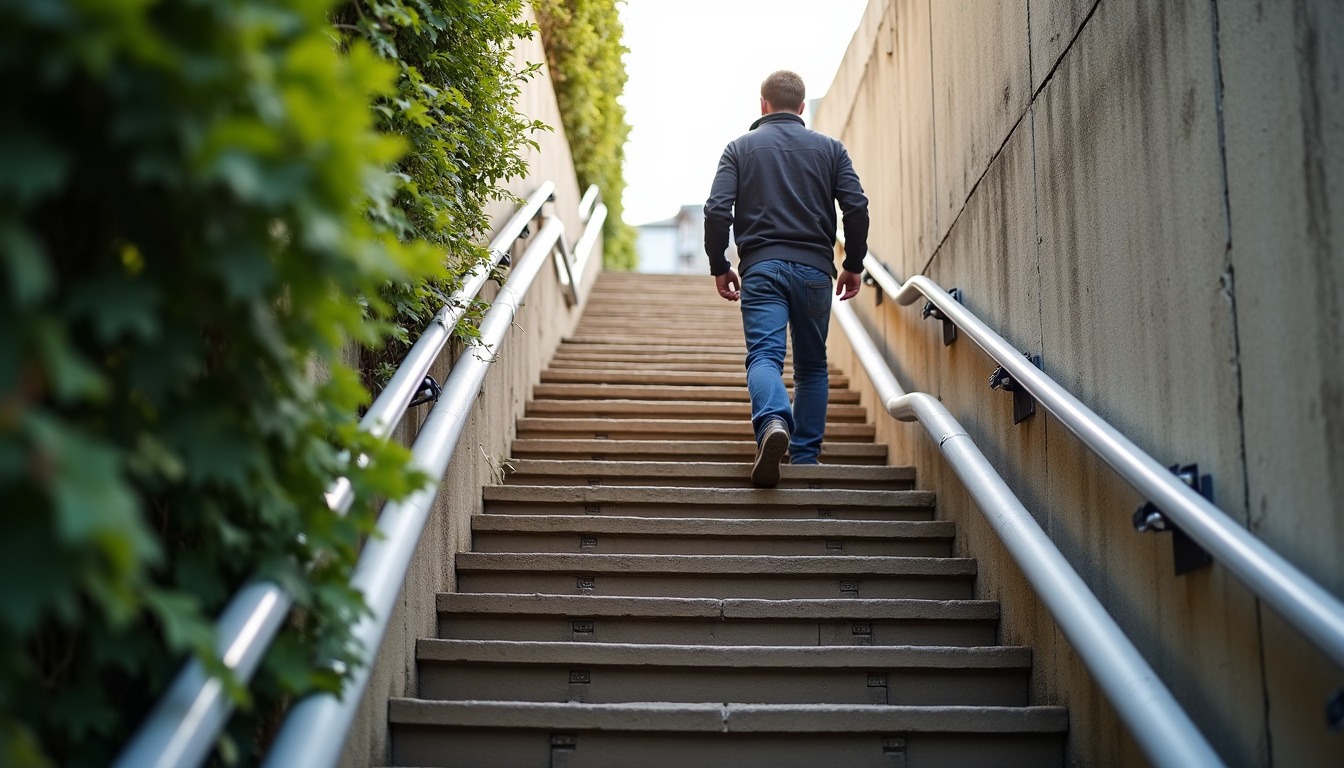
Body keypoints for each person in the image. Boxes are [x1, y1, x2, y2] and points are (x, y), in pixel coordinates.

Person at [704, 69, 869, 488]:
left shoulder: (739, 148)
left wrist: (719, 265)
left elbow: (717, 210)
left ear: (763, 105)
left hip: (762, 270)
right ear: (801, 107)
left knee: (764, 358)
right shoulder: (830, 149)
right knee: (812, 366)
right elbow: (857, 207)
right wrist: (854, 261)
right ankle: (806, 458)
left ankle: (774, 421)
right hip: (816, 271)